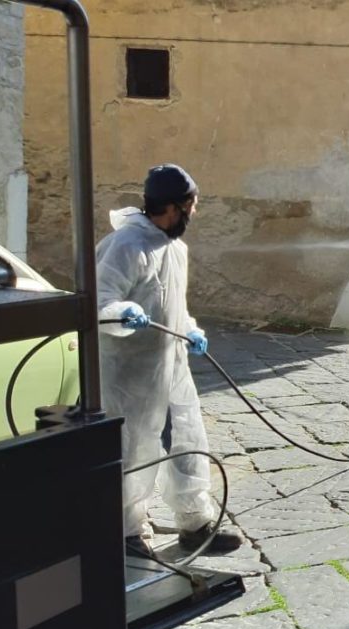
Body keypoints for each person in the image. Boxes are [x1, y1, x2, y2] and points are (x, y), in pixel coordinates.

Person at [95, 164, 243, 557]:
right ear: (175, 207)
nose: (194, 213)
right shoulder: (125, 246)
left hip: (171, 367)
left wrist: (190, 329)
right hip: (129, 375)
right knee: (133, 451)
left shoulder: (175, 250)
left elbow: (173, 306)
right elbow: (99, 302)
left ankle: (195, 525)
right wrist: (122, 313)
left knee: (188, 442)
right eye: (192, 206)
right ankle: (127, 534)